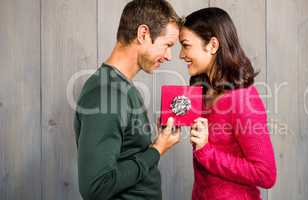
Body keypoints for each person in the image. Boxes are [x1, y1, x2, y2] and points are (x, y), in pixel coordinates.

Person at [74, 1, 181, 199]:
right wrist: (157, 150)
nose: (169, 56)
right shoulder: (106, 94)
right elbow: (96, 187)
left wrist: (157, 143)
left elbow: (127, 155)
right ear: (143, 34)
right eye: (167, 45)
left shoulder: (122, 88)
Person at [179, 7, 277, 199]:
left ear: (213, 45)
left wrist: (207, 151)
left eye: (186, 45)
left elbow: (266, 174)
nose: (181, 55)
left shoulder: (242, 99)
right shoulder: (203, 92)